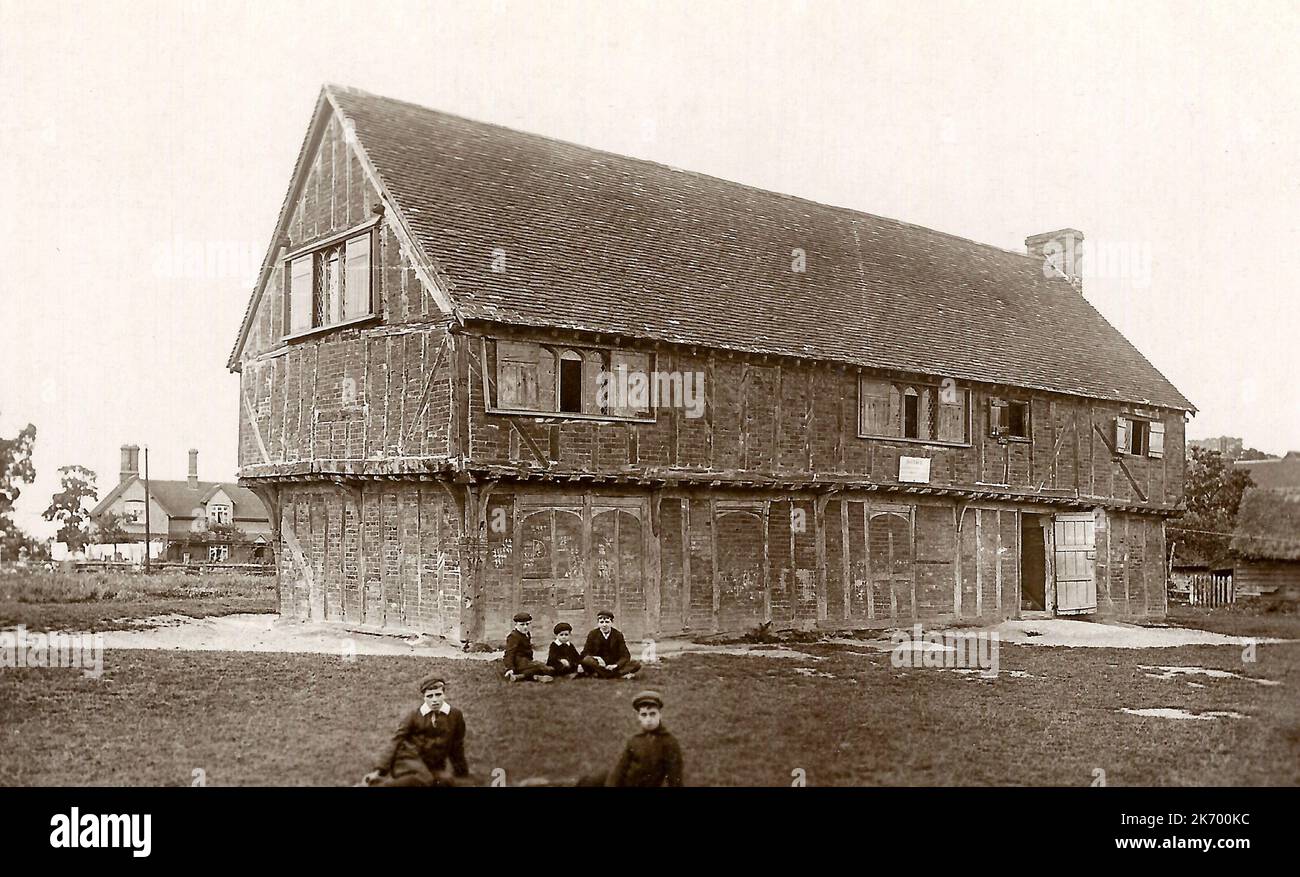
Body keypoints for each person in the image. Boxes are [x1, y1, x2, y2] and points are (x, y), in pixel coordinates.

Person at [365, 675, 469, 787]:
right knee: (424, 779)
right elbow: (395, 741)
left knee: (446, 780)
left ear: (444, 694)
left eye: (438, 694)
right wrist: (379, 770)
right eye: (430, 696)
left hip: (432, 764)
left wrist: (462, 772)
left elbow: (457, 745)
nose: (434, 700)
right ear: (424, 697)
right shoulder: (414, 715)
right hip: (408, 758)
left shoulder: (455, 715)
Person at [580, 690, 683, 787]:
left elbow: (675, 778)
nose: (648, 719)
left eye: (652, 714)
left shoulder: (669, 742)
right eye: (644, 715)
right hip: (621, 782)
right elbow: (620, 769)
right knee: (587, 782)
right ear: (639, 717)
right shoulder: (635, 740)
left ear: (660, 715)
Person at [579, 610, 641, 679]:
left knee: (636, 664)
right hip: (598, 664)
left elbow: (625, 655)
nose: (604, 625)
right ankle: (617, 675)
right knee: (587, 660)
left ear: (612, 623)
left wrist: (616, 665)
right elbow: (585, 653)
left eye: (607, 622)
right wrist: (597, 658)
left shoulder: (618, 635)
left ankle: (601, 675)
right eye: (601, 622)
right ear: (598, 623)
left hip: (613, 664)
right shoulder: (592, 634)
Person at [503, 612, 554, 682]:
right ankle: (532, 675)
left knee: (547, 668)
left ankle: (523, 677)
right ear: (515, 625)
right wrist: (510, 668)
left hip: (527, 661)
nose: (525, 627)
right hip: (519, 663)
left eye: (527, 624)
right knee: (546, 669)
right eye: (522, 625)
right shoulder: (513, 636)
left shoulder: (527, 634)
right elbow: (509, 653)